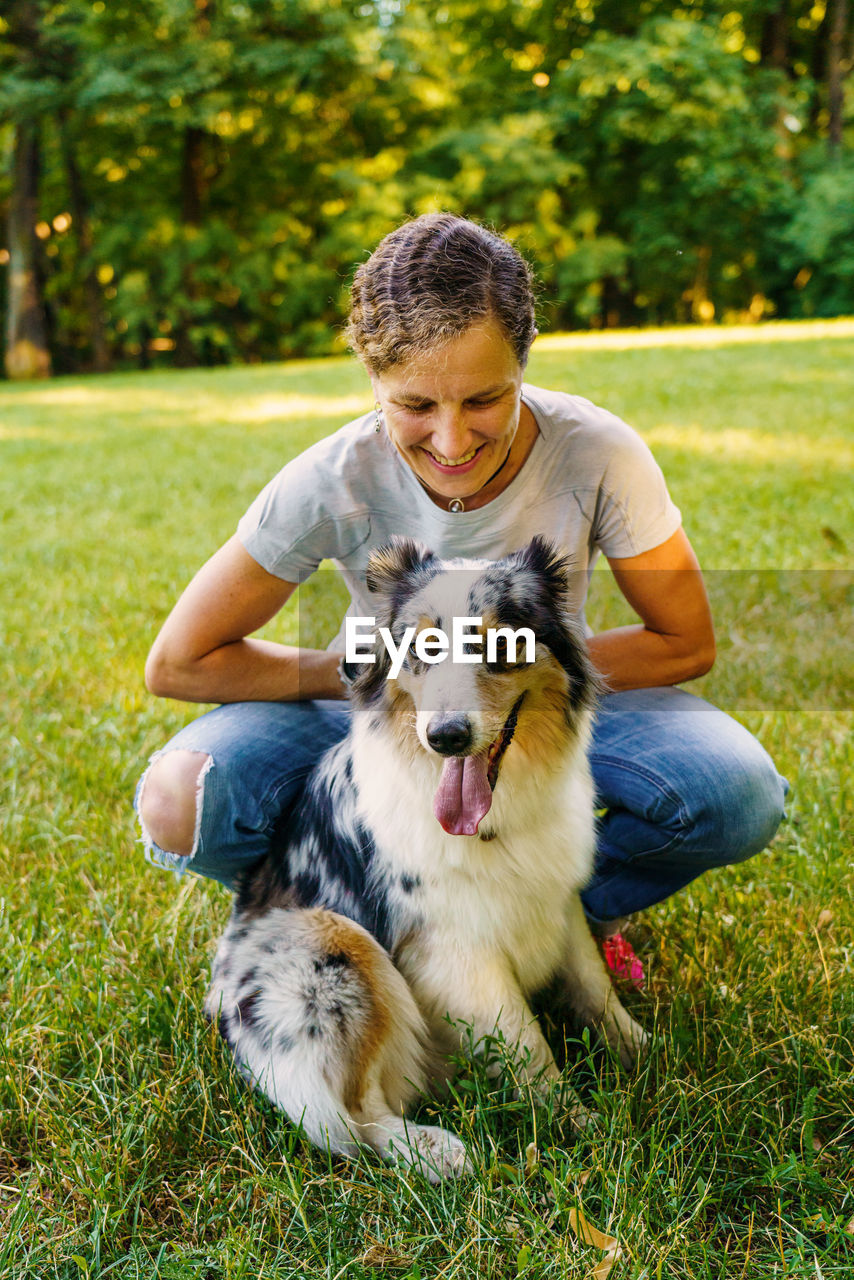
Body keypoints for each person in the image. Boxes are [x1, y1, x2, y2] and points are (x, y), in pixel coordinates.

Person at [135, 213, 786, 976]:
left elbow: (686, 641)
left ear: (524, 361)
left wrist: (510, 668)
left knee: (735, 794)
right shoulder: (329, 478)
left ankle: (561, 912)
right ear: (371, 378)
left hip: (543, 699)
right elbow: (178, 662)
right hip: (381, 711)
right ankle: (383, 915)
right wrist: (368, 669)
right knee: (184, 801)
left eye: (484, 399)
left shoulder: (599, 451)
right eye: (414, 405)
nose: (451, 441)